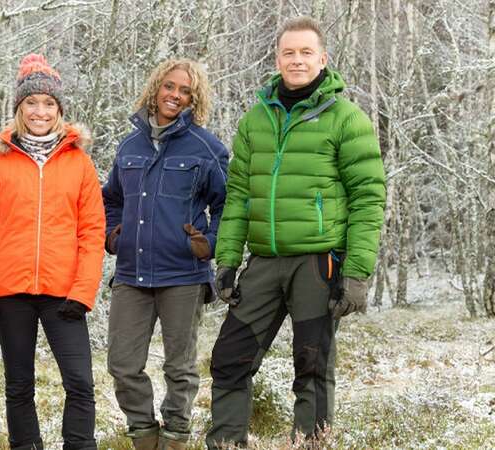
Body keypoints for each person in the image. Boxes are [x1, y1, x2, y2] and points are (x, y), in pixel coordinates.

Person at [206, 16, 386, 448]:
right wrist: (228, 260)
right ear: (277, 58)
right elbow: (238, 196)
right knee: (229, 359)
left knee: (312, 366)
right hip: (264, 262)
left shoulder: (346, 118)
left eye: (306, 52)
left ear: (323, 59)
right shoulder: (255, 120)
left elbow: (368, 197)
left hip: (317, 263)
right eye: (289, 52)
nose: (297, 60)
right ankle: (226, 443)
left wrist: (357, 272)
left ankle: (309, 444)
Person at [0, 54, 105, 450]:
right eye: (31, 103)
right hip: (11, 293)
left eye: (48, 104)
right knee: (19, 385)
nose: (39, 111)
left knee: (80, 382)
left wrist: (82, 293)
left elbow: (92, 234)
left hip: (64, 294)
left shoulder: (79, 163)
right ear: (19, 108)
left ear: (59, 110)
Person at [102, 58, 229, 450]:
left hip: (183, 275)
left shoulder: (207, 148)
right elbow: (111, 199)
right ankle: (144, 435)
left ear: (195, 98)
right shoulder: (129, 145)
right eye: (170, 87)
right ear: (156, 88)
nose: (175, 95)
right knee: (122, 365)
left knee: (180, 368)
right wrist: (114, 234)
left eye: (185, 91)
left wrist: (209, 241)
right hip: (132, 272)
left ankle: (175, 437)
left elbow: (228, 205)